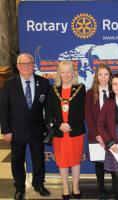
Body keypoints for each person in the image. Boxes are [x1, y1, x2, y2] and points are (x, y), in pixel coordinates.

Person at [0, 53, 50, 200]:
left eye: (29, 64)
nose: (27, 67)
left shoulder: (43, 83)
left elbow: (48, 108)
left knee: (38, 158)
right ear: (18, 67)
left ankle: (39, 184)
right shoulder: (9, 84)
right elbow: (3, 109)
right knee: (17, 160)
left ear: (33, 65)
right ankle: (20, 187)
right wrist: (6, 130)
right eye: (23, 64)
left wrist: (47, 127)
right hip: (16, 130)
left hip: (37, 129)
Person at [45, 60, 86, 200]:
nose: (66, 74)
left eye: (69, 71)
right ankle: (65, 186)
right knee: (62, 161)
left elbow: (82, 111)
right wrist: (59, 125)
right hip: (59, 132)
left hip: (75, 131)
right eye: (63, 72)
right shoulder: (52, 89)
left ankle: (75, 186)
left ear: (73, 72)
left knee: (75, 160)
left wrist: (70, 124)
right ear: (59, 73)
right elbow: (48, 112)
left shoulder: (80, 88)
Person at [85, 64, 112, 199]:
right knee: (99, 163)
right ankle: (101, 189)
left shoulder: (116, 91)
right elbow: (88, 117)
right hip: (96, 135)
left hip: (114, 135)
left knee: (115, 162)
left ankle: (116, 187)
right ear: (96, 76)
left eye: (106, 74)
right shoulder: (90, 93)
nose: (103, 77)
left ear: (110, 76)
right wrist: (97, 135)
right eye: (100, 74)